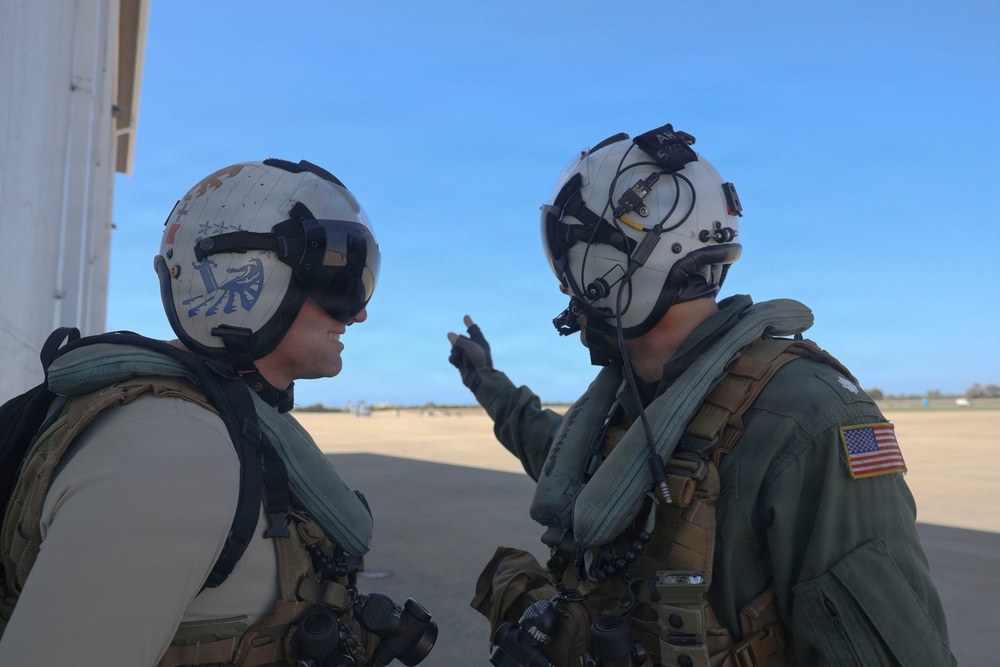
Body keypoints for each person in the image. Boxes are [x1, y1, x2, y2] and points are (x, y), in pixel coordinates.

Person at [448, 124, 954, 666]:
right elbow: (563, 457)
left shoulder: (810, 417)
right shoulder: (636, 396)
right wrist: (484, 378)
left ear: (610, 262)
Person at [0, 159, 435, 666]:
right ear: (246, 276)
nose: (359, 311)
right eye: (342, 280)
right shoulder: (174, 452)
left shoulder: (210, 427)